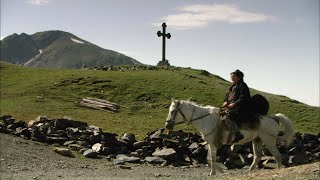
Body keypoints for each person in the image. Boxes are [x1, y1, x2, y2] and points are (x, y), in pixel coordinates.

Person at [221, 69, 251, 143]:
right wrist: (225, 101)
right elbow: (229, 96)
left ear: (239, 77)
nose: (231, 77)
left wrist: (234, 104)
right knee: (219, 112)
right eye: (231, 76)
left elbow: (243, 98)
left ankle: (237, 133)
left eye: (233, 76)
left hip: (241, 107)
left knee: (227, 116)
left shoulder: (243, 86)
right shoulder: (233, 86)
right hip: (232, 106)